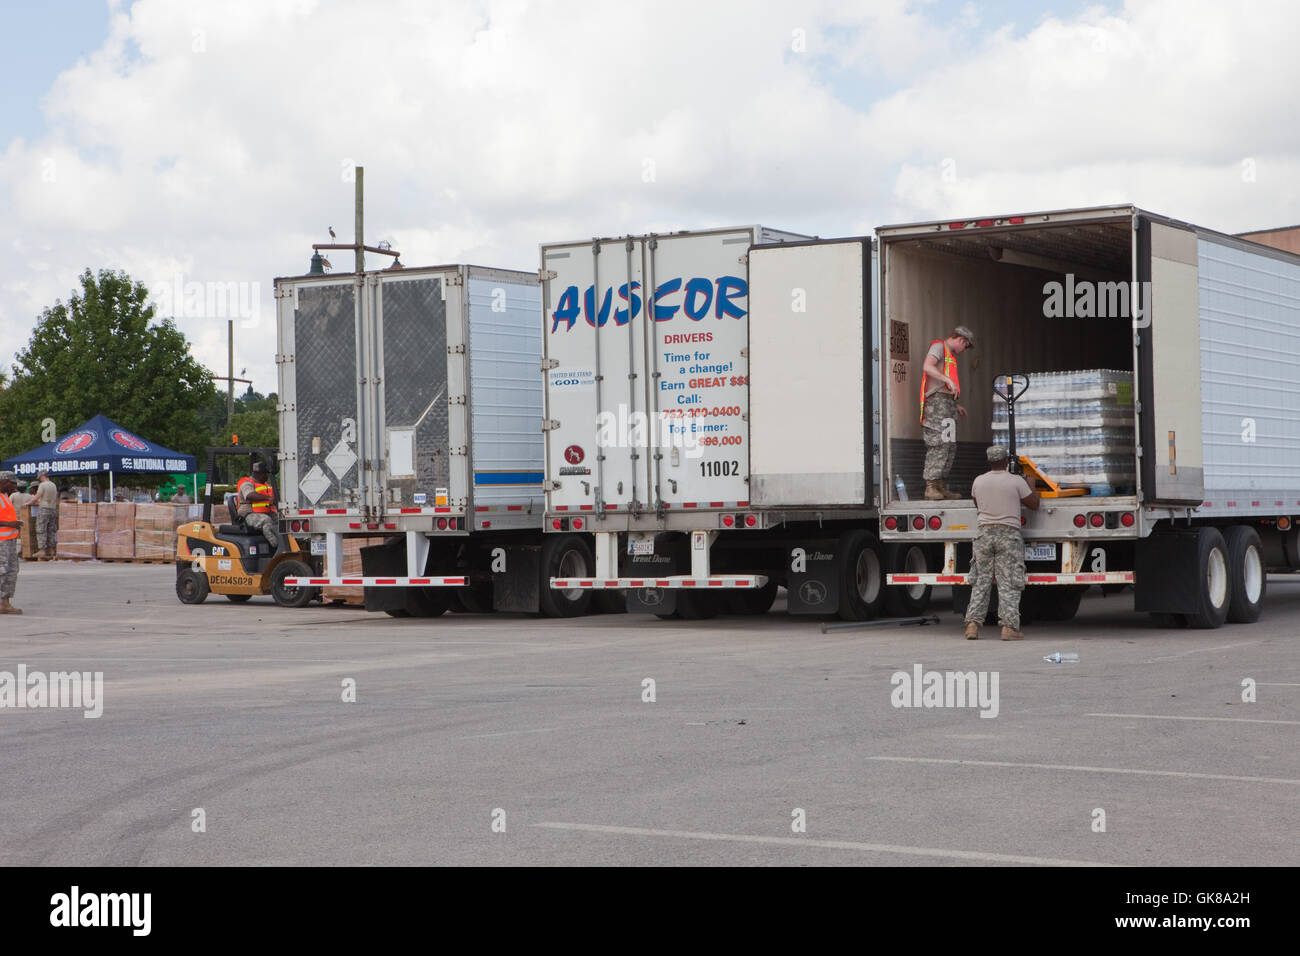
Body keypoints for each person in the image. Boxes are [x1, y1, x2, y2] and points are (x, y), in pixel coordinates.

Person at [964, 446, 1039, 640]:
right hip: (1008, 535)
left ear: (989, 461)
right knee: (1009, 582)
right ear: (1006, 461)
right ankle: (1009, 627)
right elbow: (1034, 504)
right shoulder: (1016, 481)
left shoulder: (978, 481)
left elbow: (977, 504)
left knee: (981, 581)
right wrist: (1031, 485)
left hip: (984, 535)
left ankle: (972, 625)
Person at [919, 326, 975, 500]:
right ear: (961, 340)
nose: (963, 350)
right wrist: (947, 379)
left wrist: (955, 404)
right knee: (938, 444)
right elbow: (927, 366)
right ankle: (931, 486)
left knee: (949, 446)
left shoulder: (949, 355)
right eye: (965, 346)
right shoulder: (939, 347)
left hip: (946, 404)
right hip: (936, 405)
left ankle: (940, 485)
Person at [237, 461, 279, 552]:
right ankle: (277, 547)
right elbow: (249, 495)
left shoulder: (266, 485)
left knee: (281, 520)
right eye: (265, 474)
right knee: (266, 521)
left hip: (266, 512)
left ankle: (288, 543)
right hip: (248, 515)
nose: (267, 476)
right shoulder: (247, 484)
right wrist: (268, 498)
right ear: (258, 474)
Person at [0, 471, 24, 614]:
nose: (14, 487)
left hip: (9, 541)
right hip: (1, 542)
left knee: (11, 571)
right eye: (12, 483)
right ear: (3, 482)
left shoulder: (5, 496)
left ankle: (5, 602)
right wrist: (10, 523)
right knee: (2, 571)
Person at [35, 470, 59, 560]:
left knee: (41, 528)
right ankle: (52, 550)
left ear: (42, 476)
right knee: (51, 529)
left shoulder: (42, 485)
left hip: (44, 508)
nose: (40, 479)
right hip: (52, 509)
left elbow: (38, 495)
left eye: (40, 477)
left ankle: (42, 550)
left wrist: (29, 502)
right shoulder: (53, 485)